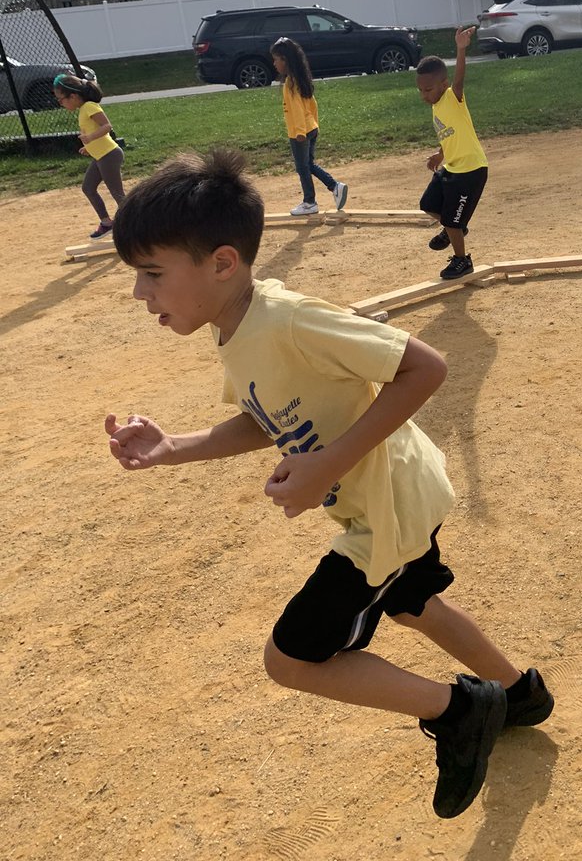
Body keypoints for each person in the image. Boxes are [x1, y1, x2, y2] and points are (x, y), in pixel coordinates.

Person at [105, 148, 552, 820]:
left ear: (222, 263)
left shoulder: (288, 318)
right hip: (388, 494)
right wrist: (174, 448)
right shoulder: (237, 329)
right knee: (410, 599)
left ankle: (461, 708)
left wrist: (327, 464)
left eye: (151, 275)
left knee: (292, 658)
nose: (140, 294)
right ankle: (521, 694)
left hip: (384, 508)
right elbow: (262, 420)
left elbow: (425, 368)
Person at [416, 26, 489, 279]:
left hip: (470, 171)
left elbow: (459, 78)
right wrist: (440, 155)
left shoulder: (452, 96)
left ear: (443, 85)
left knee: (453, 220)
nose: (424, 95)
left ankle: (462, 260)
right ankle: (452, 229)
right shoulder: (436, 106)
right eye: (420, 90)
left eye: (428, 90)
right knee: (428, 204)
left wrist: (460, 49)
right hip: (452, 167)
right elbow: (450, 135)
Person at [270, 36, 348, 216]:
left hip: (301, 132)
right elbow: (313, 104)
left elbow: (296, 109)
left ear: (285, 60)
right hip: (310, 127)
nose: (274, 64)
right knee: (308, 164)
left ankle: (309, 202)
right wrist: (314, 125)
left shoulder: (290, 83)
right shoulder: (301, 78)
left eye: (276, 59)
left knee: (302, 167)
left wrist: (299, 132)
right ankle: (335, 186)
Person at [53, 72, 125, 238]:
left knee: (117, 193)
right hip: (101, 155)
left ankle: (136, 226)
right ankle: (107, 223)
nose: (60, 103)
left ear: (73, 96)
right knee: (88, 188)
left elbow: (107, 126)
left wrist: (90, 138)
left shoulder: (89, 106)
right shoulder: (83, 109)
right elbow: (94, 129)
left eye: (61, 99)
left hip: (109, 154)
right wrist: (89, 146)